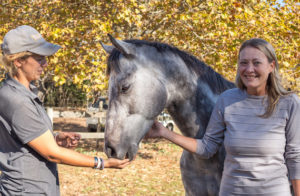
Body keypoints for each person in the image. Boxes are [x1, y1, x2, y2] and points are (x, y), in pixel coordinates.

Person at [147, 38, 300, 195]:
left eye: (256, 63)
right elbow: (206, 147)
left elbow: (295, 157)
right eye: (244, 62)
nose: (249, 69)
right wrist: (163, 132)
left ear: (271, 66)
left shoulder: (289, 103)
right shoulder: (227, 100)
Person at [0, 25, 130, 196]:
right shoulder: (17, 100)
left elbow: (24, 138)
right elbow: (53, 154)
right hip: (27, 190)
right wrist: (103, 163)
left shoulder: (22, 92)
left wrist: (55, 138)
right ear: (18, 61)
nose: (45, 64)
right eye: (39, 58)